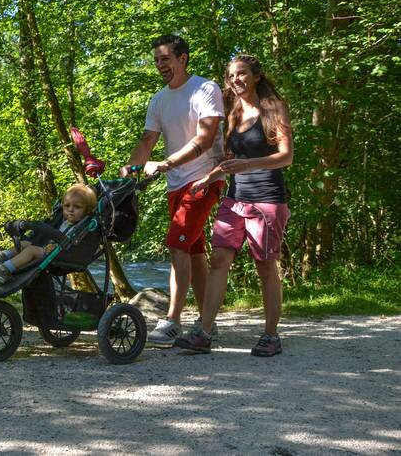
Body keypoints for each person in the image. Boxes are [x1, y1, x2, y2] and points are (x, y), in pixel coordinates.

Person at [174, 54, 293, 357]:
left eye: (241, 74)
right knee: (219, 261)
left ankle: (270, 335)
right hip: (235, 199)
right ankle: (204, 331)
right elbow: (230, 162)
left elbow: (286, 157)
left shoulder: (274, 109)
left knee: (265, 266)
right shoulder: (234, 113)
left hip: (267, 200)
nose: (236, 80)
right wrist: (207, 177)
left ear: (255, 76)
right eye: (231, 76)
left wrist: (249, 163)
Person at [120, 35, 225, 347]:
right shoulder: (159, 99)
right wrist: (130, 170)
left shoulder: (206, 89)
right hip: (176, 184)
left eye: (165, 58)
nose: (160, 65)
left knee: (177, 243)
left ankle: (173, 321)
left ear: (183, 59)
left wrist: (164, 163)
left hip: (204, 180)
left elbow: (205, 139)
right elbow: (147, 141)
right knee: (193, 252)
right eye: (156, 60)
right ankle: (209, 322)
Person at [0, 184, 98, 284]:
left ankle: (4, 269)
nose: (70, 210)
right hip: (51, 249)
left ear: (87, 210)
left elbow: (71, 242)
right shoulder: (64, 221)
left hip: (63, 254)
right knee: (25, 243)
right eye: (67, 206)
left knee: (32, 250)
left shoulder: (81, 225)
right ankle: (0, 257)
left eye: (77, 207)